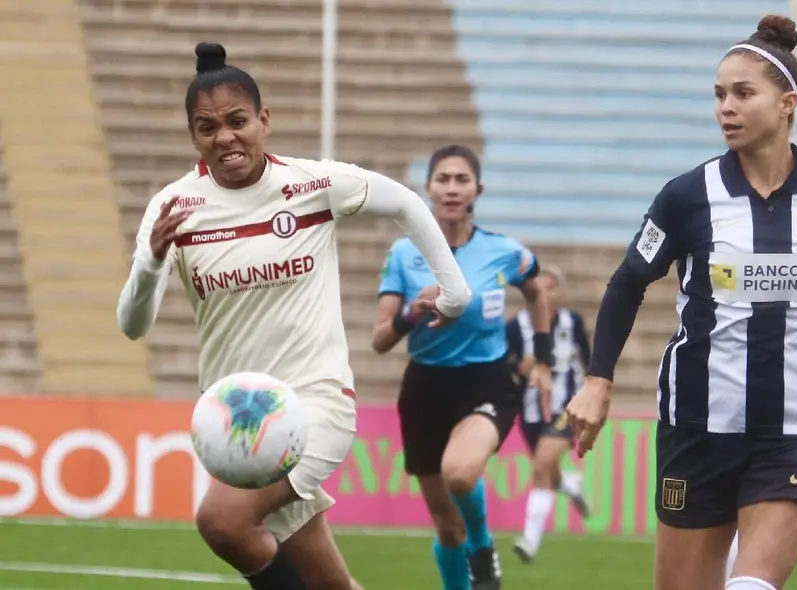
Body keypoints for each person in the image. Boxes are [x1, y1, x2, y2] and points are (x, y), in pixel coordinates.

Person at [116, 42, 471, 590]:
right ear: (193, 136)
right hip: (237, 420)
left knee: (223, 521)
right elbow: (133, 325)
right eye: (207, 128)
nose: (225, 138)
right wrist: (152, 260)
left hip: (316, 403)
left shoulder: (309, 184)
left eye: (237, 121)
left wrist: (455, 293)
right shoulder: (174, 210)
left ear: (264, 120)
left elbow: (404, 202)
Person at [564, 15, 797, 590]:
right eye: (719, 95)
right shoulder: (687, 197)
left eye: (743, 93)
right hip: (698, 421)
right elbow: (625, 284)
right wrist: (598, 380)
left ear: (788, 102)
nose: (725, 108)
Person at [372, 144, 553, 590]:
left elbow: (538, 292)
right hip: (426, 389)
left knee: (459, 472)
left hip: (486, 382)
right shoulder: (404, 254)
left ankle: (484, 544)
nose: (452, 189)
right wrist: (413, 313)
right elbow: (380, 340)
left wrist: (542, 357)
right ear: (427, 188)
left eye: (462, 180)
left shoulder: (503, 251)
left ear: (478, 189)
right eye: (443, 179)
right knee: (446, 528)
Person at [505, 265, 591, 563]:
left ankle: (530, 540)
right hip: (529, 412)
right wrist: (519, 368)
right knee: (546, 470)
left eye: (551, 287)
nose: (545, 293)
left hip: (567, 407)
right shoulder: (516, 327)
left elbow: (590, 362)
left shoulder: (572, 322)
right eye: (539, 288)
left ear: (561, 292)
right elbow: (502, 366)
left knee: (541, 466)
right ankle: (569, 485)